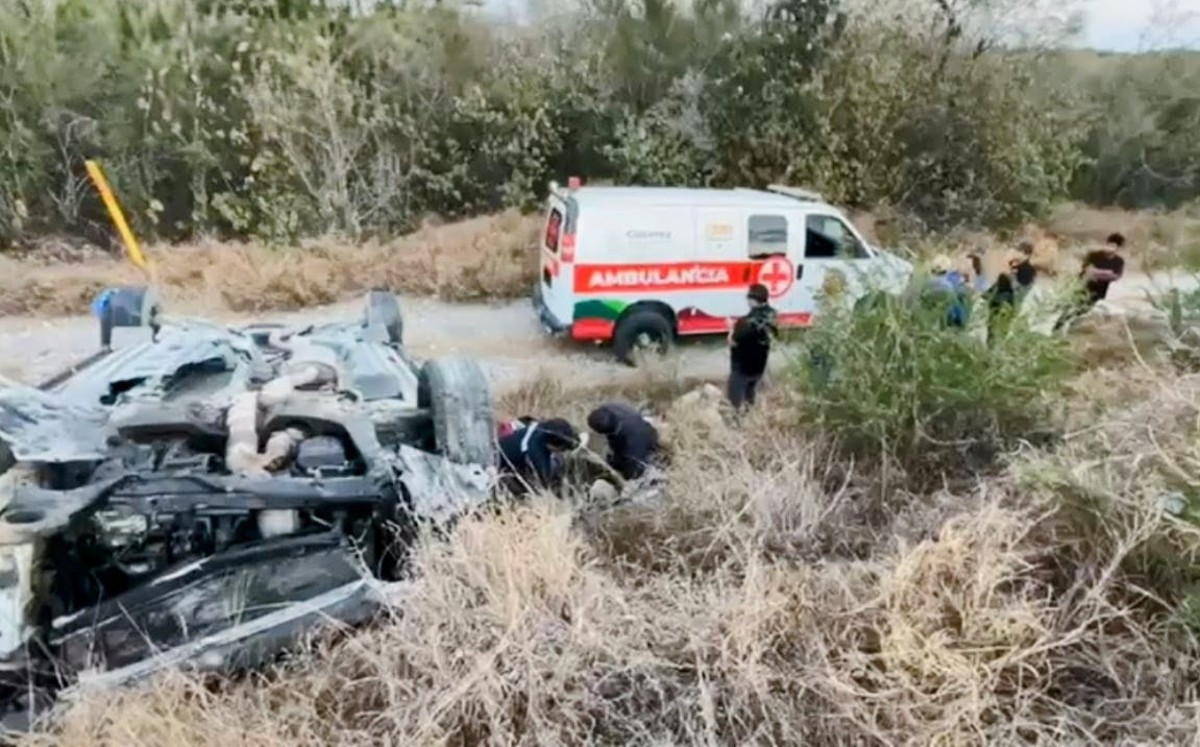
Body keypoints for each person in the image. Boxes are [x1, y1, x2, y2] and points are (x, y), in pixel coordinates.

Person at [1053, 232, 1126, 333]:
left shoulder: (1119, 261)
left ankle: (1069, 329)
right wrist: (1106, 273)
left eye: (1113, 246)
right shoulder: (1094, 255)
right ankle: (1056, 329)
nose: (1110, 247)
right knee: (1069, 307)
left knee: (1082, 310)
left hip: (1098, 291)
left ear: (1117, 248)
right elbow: (1088, 271)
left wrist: (1099, 273)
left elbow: (1116, 276)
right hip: (1082, 286)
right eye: (1109, 244)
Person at [727, 283, 779, 410]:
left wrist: (731, 328)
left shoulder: (744, 322)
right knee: (750, 396)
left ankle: (736, 424)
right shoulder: (772, 314)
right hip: (759, 368)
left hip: (742, 370)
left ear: (752, 300)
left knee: (733, 402)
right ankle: (749, 417)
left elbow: (732, 342)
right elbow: (774, 335)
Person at [496, 417, 579, 494]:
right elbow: (545, 486)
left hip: (504, 446)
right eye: (562, 450)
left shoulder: (540, 427)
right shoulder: (538, 455)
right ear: (552, 445)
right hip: (502, 467)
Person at [586, 402, 661, 481]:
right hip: (637, 423)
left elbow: (634, 473)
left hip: (645, 442)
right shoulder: (609, 408)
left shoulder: (633, 442)